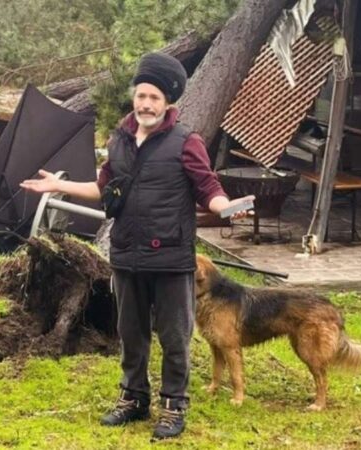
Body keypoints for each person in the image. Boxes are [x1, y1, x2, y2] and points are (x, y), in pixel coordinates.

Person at [19, 52, 254, 440]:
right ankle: (133, 399)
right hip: (127, 254)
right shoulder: (120, 140)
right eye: (141, 96)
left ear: (168, 103)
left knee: (175, 335)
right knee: (131, 333)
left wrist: (226, 207)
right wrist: (57, 185)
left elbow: (208, 188)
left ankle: (173, 405)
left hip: (171, 258)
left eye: (154, 98)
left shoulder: (186, 142)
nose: (146, 104)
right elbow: (103, 188)